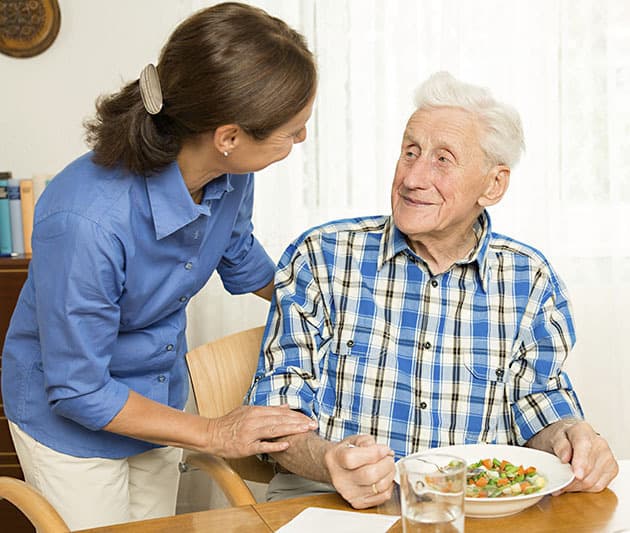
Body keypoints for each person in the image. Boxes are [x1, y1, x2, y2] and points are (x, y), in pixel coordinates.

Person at [1, 2, 318, 530]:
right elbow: (80, 388)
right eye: (293, 129)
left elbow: (237, 253)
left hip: (156, 393)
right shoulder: (86, 220)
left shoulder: (231, 173)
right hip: (72, 419)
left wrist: (328, 301)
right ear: (229, 136)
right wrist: (214, 432)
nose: (301, 139)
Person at [247, 71, 619, 509]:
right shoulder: (321, 257)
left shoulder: (530, 280)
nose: (412, 178)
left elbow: (538, 403)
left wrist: (572, 438)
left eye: (443, 159)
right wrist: (328, 459)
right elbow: (276, 414)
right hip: (329, 505)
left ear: (493, 184)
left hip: (470, 515)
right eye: (410, 152)